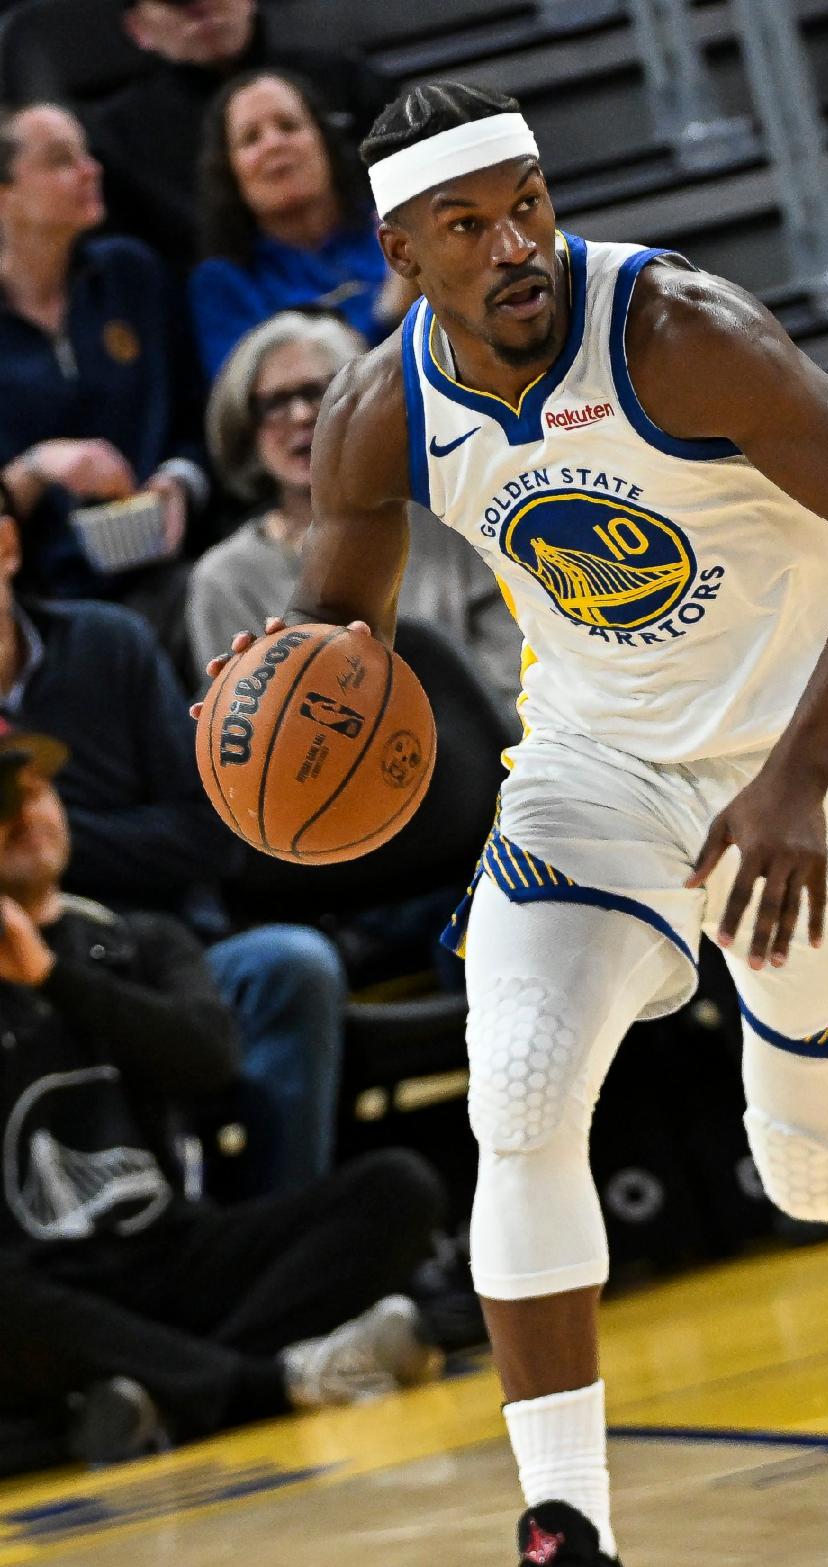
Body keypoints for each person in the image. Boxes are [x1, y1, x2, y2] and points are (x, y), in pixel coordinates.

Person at [202, 80, 828, 1567]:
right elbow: (339, 647)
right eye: (469, 225)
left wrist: (796, 774)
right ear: (402, 256)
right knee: (518, 1093)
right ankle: (570, 1556)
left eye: (529, 202)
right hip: (595, 764)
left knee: (810, 1165)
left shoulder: (677, 334)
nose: (517, 243)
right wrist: (281, 690)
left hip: (807, 750)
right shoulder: (381, 414)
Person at [0, 719, 444, 1469]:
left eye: (37, 790)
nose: (25, 814)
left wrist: (53, 976)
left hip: (172, 1251)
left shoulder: (140, 941)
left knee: (397, 1189)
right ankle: (263, 1383)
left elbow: (210, 1063)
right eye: (1, 801)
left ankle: (155, 1394)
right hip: (42, 1286)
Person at [0, 491, 347, 1197]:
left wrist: (45, 839)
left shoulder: (109, 644)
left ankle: (277, 1228)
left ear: (7, 547)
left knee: (291, 966)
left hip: (160, 951)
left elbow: (210, 835)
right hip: (12, 974)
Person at [191, 308, 517, 700]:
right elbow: (241, 722)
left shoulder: (452, 520)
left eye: (319, 392)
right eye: (275, 403)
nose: (301, 415)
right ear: (247, 427)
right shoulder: (226, 579)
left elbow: (514, 688)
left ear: (369, 406)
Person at [0, 104, 206, 613]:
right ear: (5, 194)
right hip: (39, 599)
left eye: (87, 154)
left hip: (171, 567)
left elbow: (198, 412)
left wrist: (180, 479)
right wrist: (36, 468)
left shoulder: (132, 273)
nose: (91, 170)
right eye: (60, 160)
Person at [84, 0, 384, 270]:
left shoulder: (347, 80)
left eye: (288, 126)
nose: (199, 8)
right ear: (138, 28)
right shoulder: (115, 140)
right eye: (175, 2)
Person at [190, 72, 409, 380]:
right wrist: (388, 316)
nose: (274, 144)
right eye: (251, 138)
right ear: (228, 171)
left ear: (325, 141)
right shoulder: (223, 285)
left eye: (288, 126)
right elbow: (258, 399)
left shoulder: (394, 225)